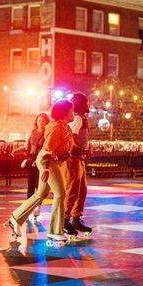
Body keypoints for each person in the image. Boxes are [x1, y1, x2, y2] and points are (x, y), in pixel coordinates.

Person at [4, 99, 74, 245]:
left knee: (40, 194)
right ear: (65, 113)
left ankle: (15, 218)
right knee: (60, 193)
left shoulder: (64, 127)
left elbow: (66, 149)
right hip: (47, 162)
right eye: (71, 111)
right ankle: (55, 232)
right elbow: (47, 149)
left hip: (51, 161)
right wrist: (47, 168)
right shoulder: (57, 128)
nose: (73, 113)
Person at [64, 93, 92, 238]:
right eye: (87, 102)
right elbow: (72, 137)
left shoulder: (83, 118)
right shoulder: (77, 118)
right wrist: (82, 149)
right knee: (73, 189)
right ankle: (65, 219)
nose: (89, 105)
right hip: (73, 159)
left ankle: (76, 217)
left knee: (82, 190)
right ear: (81, 103)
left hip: (80, 158)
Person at [13, 113, 50, 221]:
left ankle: (37, 207)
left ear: (46, 122)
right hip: (31, 160)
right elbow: (26, 146)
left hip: (41, 161)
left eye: (43, 121)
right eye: (39, 120)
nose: (41, 123)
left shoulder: (47, 133)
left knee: (40, 187)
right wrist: (18, 150)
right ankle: (29, 208)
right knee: (30, 186)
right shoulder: (31, 132)